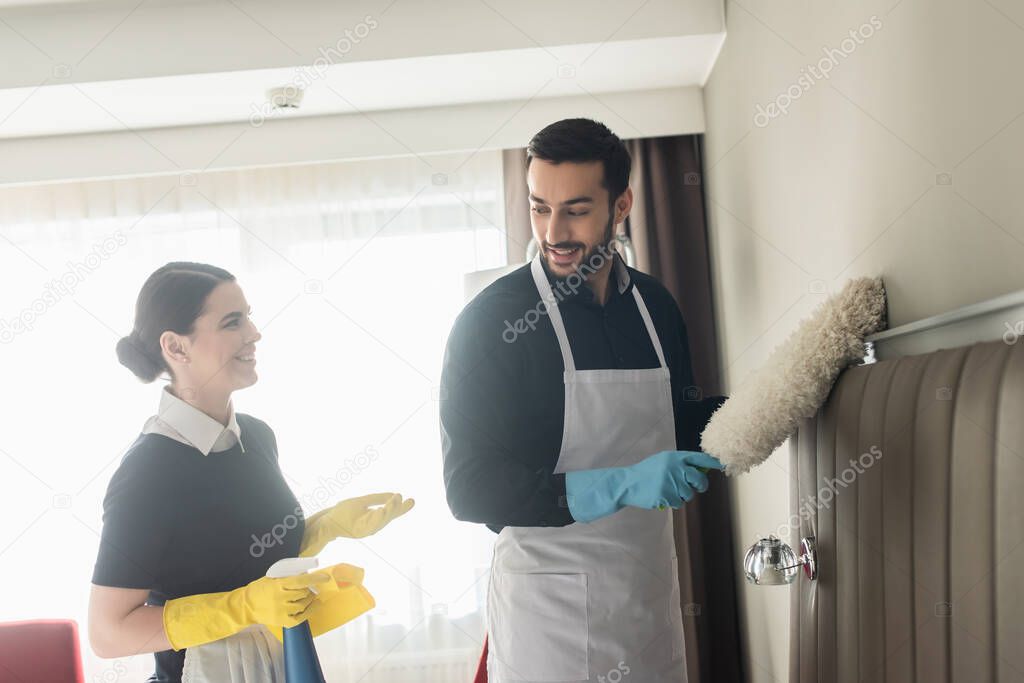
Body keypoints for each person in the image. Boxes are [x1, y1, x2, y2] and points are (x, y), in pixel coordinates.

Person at [441, 119, 726, 682]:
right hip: (547, 622)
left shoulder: (656, 307)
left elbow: (684, 422)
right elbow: (470, 487)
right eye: (539, 207)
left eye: (575, 209)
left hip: (645, 599)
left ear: (621, 205)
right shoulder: (490, 322)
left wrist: (777, 405)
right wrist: (622, 483)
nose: (553, 232)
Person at [88, 262, 414, 682]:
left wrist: (325, 526)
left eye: (249, 316)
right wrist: (242, 607)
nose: (254, 333)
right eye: (232, 322)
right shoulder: (150, 471)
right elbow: (108, 632)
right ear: (176, 347)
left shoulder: (257, 438)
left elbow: (244, 562)